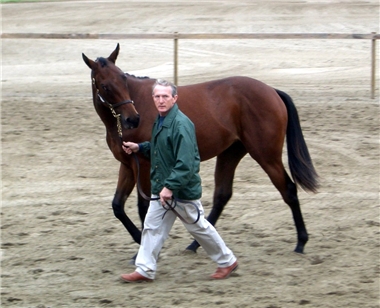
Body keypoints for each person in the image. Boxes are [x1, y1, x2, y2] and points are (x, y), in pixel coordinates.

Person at [120, 79, 238, 282]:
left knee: (199, 227)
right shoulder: (161, 120)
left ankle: (227, 261)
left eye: (165, 96)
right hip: (164, 188)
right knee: (151, 226)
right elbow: (161, 149)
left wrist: (170, 187)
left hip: (180, 192)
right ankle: (145, 269)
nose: (161, 100)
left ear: (174, 98)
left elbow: (187, 162)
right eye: (157, 96)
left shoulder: (181, 124)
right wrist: (140, 148)